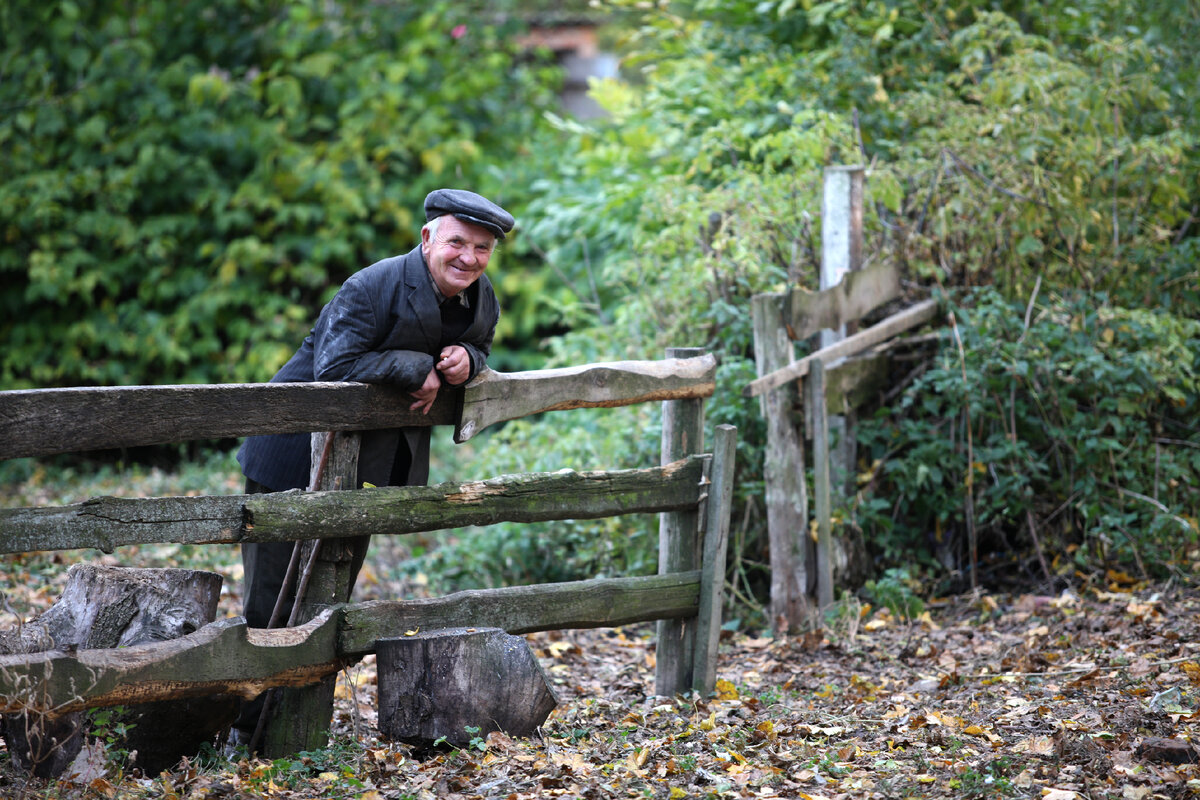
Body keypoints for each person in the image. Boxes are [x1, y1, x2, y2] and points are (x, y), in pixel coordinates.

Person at [230, 188, 513, 743]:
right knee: (271, 605)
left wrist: (468, 360)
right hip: (290, 457)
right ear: (428, 238)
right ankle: (246, 733)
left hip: (368, 470)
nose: (469, 258)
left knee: (329, 593)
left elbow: (481, 345)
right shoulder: (370, 286)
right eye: (457, 242)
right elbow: (334, 366)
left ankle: (296, 727)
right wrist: (414, 366)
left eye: (482, 248)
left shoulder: (481, 299)